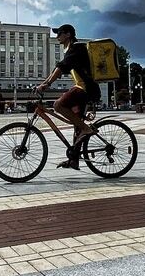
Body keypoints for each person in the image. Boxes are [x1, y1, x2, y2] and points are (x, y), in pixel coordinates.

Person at [35, 24, 98, 169]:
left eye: (60, 33)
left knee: (58, 105)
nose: (57, 36)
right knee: (77, 125)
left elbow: (61, 67)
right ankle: (74, 160)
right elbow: (57, 68)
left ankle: (87, 129)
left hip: (85, 88)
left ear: (68, 34)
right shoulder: (70, 49)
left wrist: (46, 84)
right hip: (82, 88)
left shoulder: (77, 48)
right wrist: (44, 83)